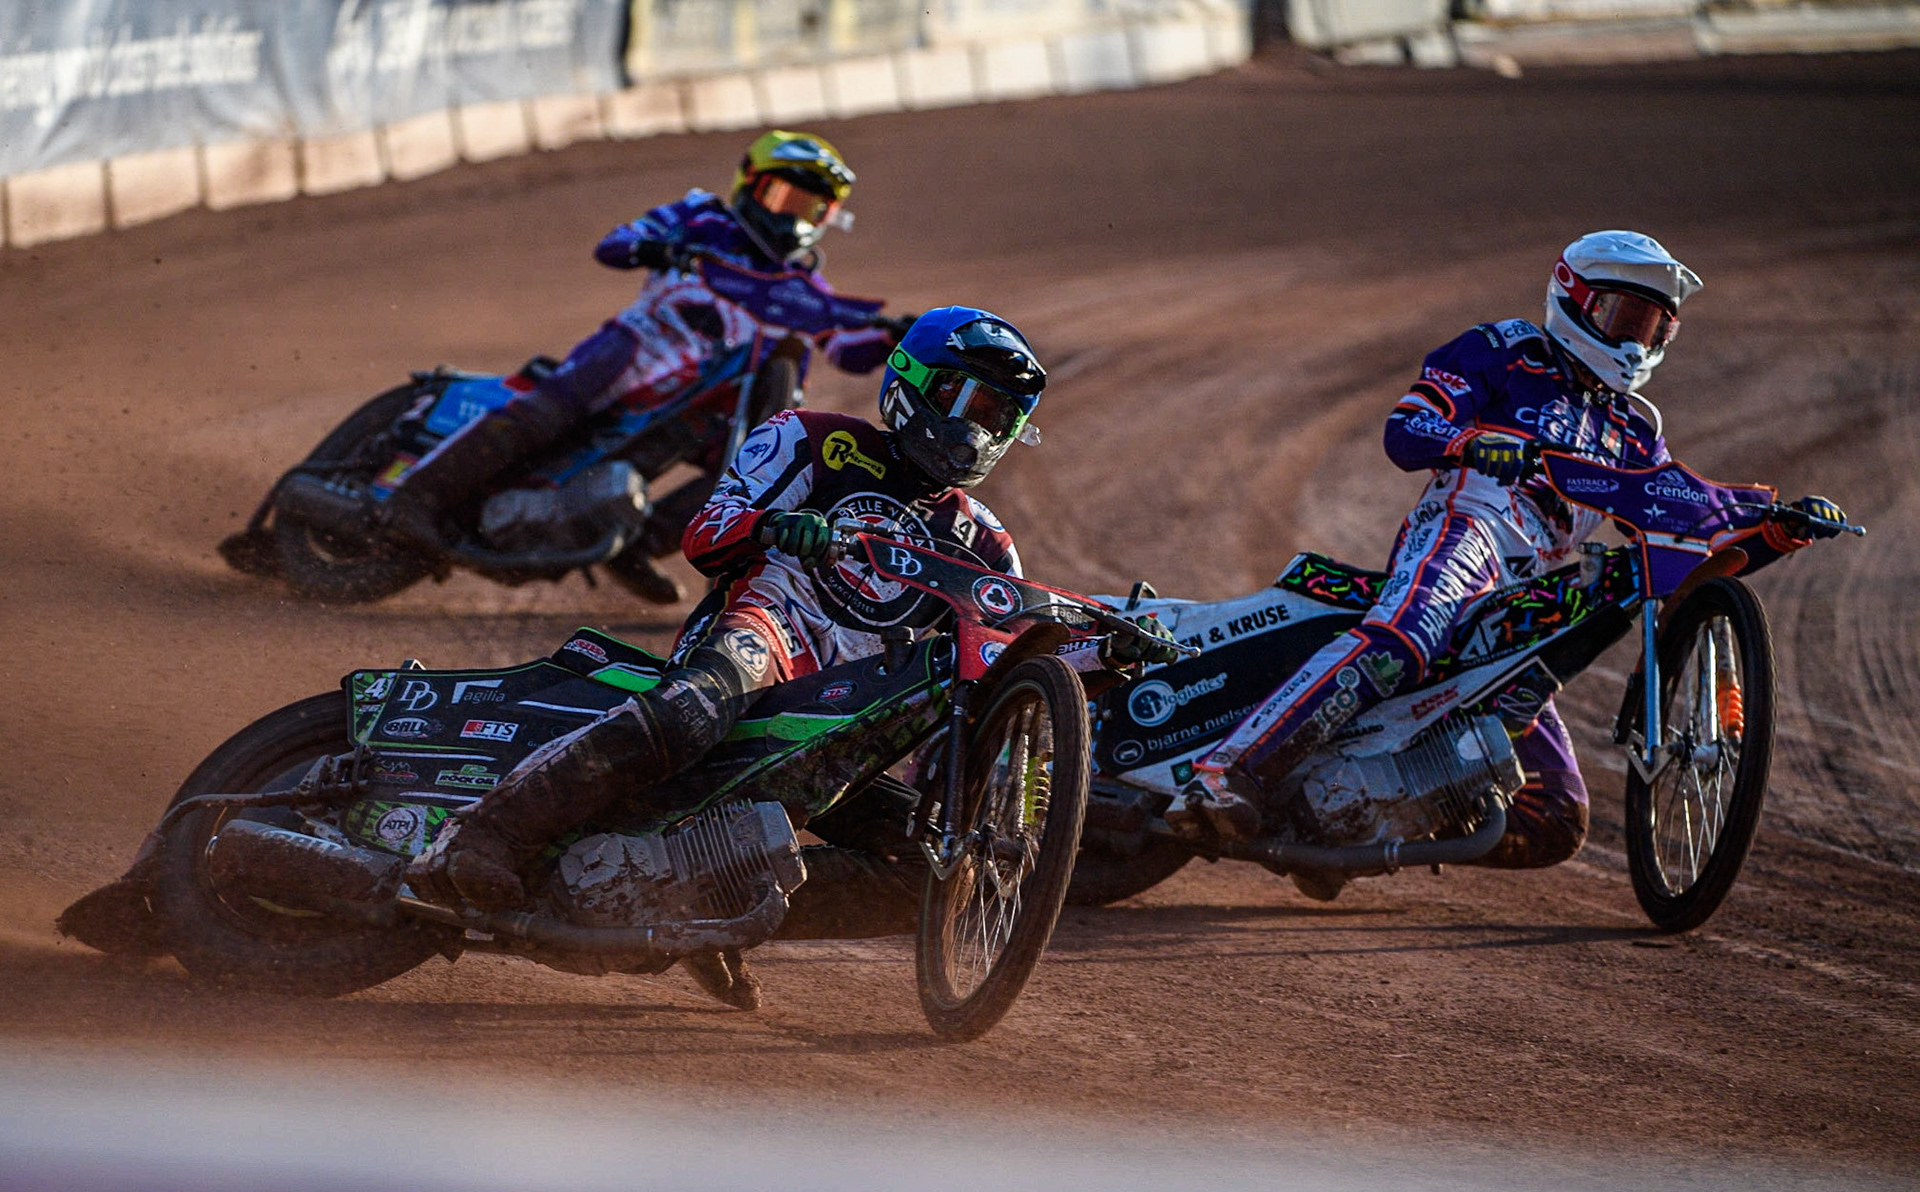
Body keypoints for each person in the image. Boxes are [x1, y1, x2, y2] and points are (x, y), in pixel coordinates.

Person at [412, 306, 1179, 914]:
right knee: (693, 712)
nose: (980, 429)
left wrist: (1104, 658)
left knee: (929, 869)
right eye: (970, 401)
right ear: (915, 379)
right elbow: (703, 535)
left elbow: (1002, 662)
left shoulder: (986, 541)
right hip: (763, 636)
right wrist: (775, 526)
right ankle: (485, 834)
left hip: (852, 714)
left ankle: (697, 905)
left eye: (1003, 417)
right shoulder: (809, 440)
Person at [1165, 230, 1848, 891]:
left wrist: (1775, 530)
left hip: (1528, 594)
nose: (1634, 340)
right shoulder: (1505, 350)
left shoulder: (1636, 429)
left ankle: (1348, 833)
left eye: (1652, 328)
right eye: (1623, 316)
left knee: (1556, 818)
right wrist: (1473, 441)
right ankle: (1225, 772)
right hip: (1469, 531)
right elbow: (1406, 431)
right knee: (1403, 642)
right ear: (1573, 298)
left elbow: (1684, 532)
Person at [380, 130, 904, 601]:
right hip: (635, 355)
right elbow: (615, 244)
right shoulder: (701, 217)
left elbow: (846, 349)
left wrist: (895, 338)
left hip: (698, 406)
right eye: (783, 198)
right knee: (556, 407)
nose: (791, 217)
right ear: (750, 184)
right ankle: (416, 498)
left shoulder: (805, 290)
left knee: (752, 472)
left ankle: (634, 545)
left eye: (810, 208)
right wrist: (653, 247)